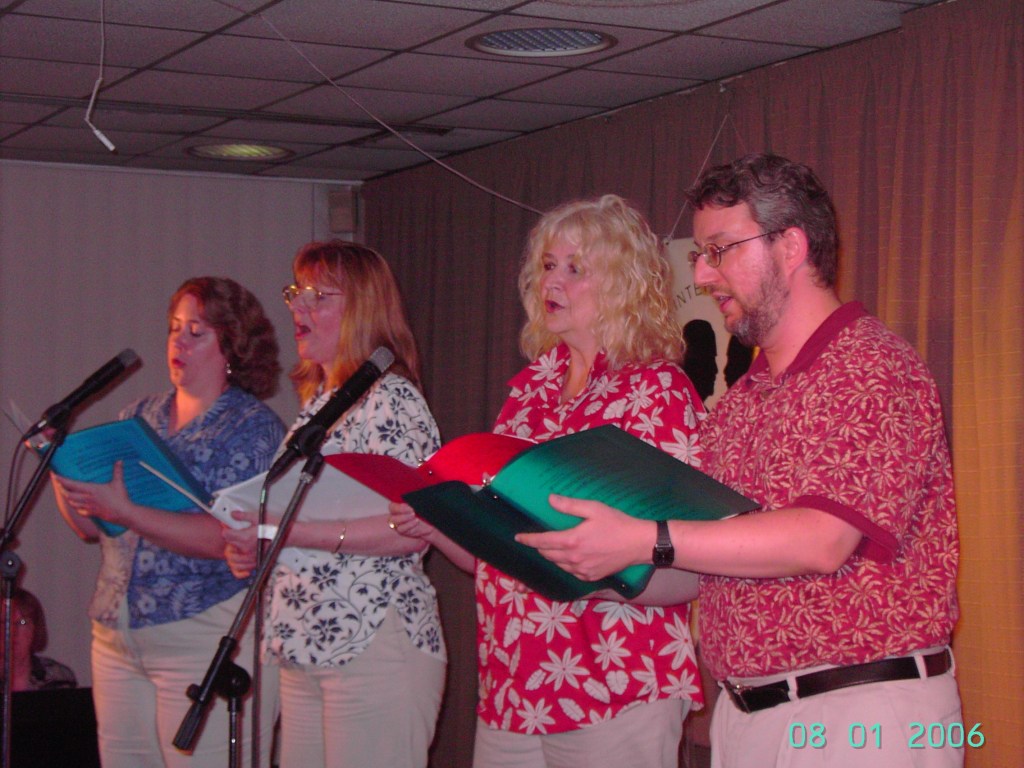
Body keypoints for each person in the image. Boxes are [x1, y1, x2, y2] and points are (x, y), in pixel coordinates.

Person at [518, 154, 963, 767]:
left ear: (791, 247)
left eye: (720, 250)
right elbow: (703, 563)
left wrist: (645, 538)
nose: (702, 274)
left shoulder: (869, 365)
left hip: (861, 710)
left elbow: (821, 540)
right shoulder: (741, 402)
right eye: (701, 255)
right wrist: (595, 563)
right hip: (749, 713)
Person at [392, 194, 706, 768]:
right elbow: (501, 555)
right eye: (547, 266)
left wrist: (585, 571)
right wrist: (438, 523)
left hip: (614, 677)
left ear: (622, 282)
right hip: (514, 681)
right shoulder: (529, 390)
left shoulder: (655, 389)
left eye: (574, 268)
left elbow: (690, 557)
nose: (552, 281)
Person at [222, 240, 446, 768]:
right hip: (305, 643)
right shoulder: (318, 407)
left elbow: (411, 527)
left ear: (363, 309)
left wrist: (285, 531)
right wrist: (258, 548)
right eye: (296, 294)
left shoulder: (391, 400)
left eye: (318, 297)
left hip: (372, 641)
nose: (298, 308)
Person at [52, 277, 286, 768]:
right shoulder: (139, 414)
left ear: (233, 345)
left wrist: (127, 512)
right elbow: (90, 529)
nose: (179, 342)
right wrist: (60, 468)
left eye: (196, 331)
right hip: (118, 635)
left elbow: (225, 538)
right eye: (174, 328)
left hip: (201, 633)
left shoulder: (253, 428)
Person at [2, 587, 77, 692]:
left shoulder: (58, 677)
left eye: (22, 622)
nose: (13, 630)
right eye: (4, 622)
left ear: (35, 628)